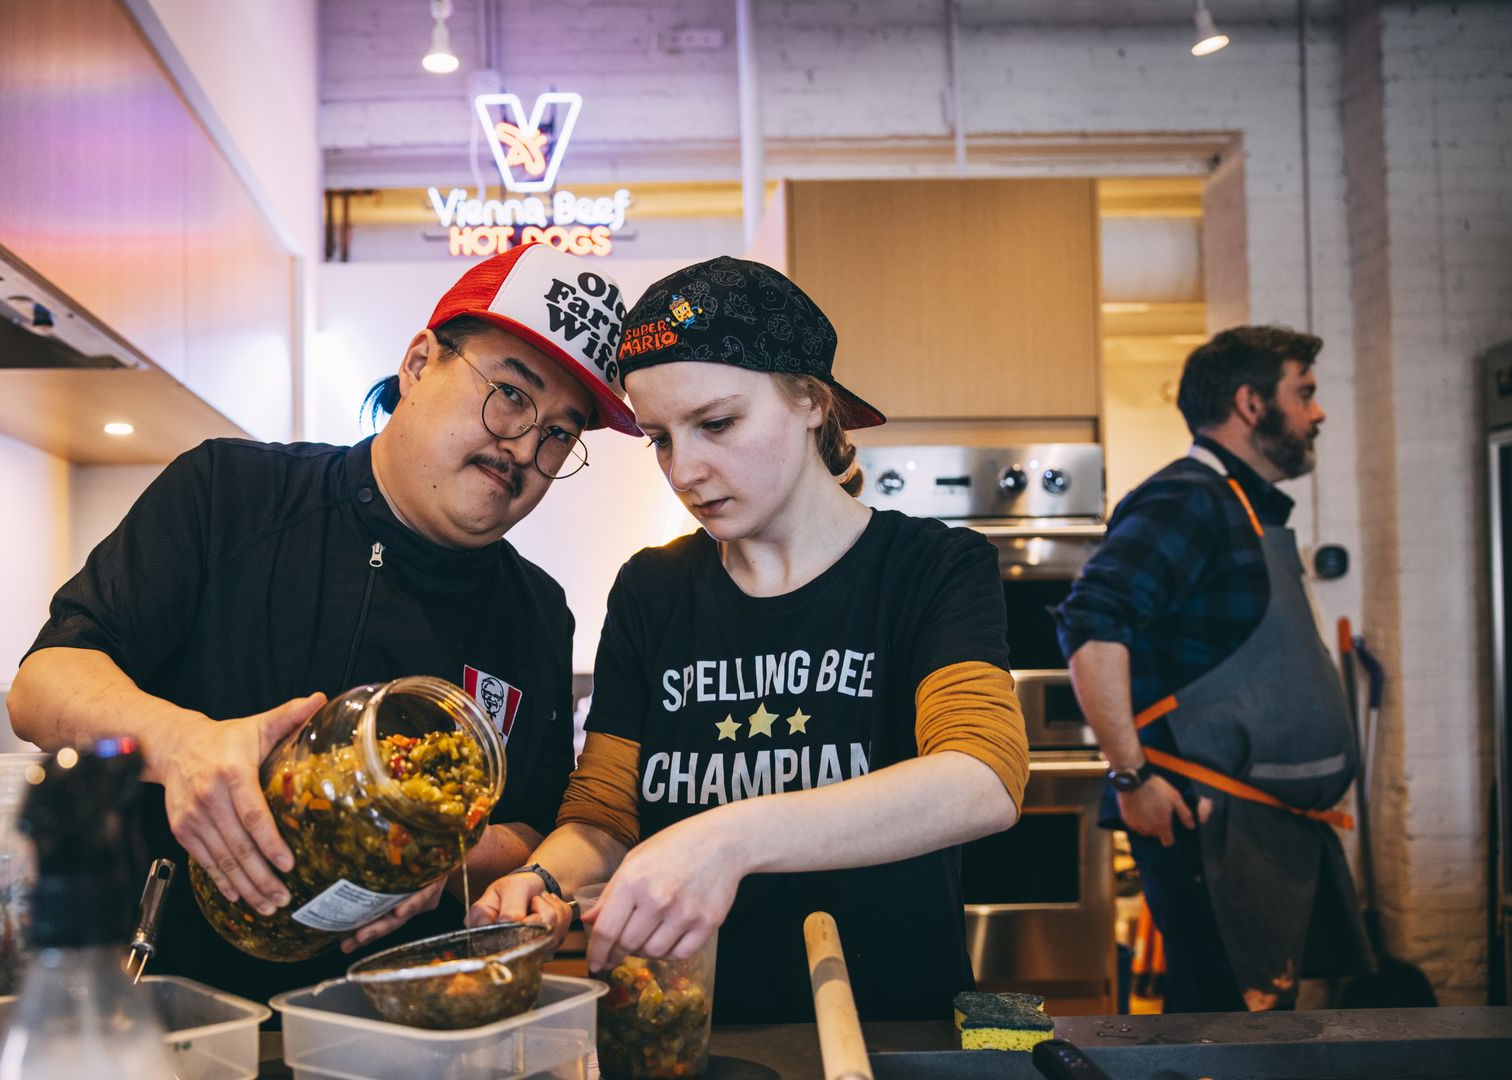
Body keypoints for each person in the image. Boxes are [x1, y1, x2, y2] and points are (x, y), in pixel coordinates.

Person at [7, 243, 635, 998]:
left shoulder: (536, 609)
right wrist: (181, 746)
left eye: (561, 433)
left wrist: (439, 855)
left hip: (402, 1028)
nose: (527, 447)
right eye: (510, 393)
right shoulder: (230, 495)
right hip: (183, 1009)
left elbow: (529, 824)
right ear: (418, 364)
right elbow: (41, 685)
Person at [468, 256, 1030, 1023]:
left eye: (718, 424)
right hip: (691, 1028)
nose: (685, 470)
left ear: (810, 400)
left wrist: (729, 838)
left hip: (886, 1028)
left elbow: (980, 779)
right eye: (660, 439)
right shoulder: (653, 590)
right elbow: (604, 816)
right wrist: (545, 880)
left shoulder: (929, 567)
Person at [1054, 325, 1372, 1012]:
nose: (1317, 413)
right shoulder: (1189, 499)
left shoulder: (1237, 504)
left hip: (1257, 826)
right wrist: (1131, 775)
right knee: (1222, 1029)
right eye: (1305, 393)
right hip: (1205, 822)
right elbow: (1090, 619)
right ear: (1251, 403)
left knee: (1241, 1027)